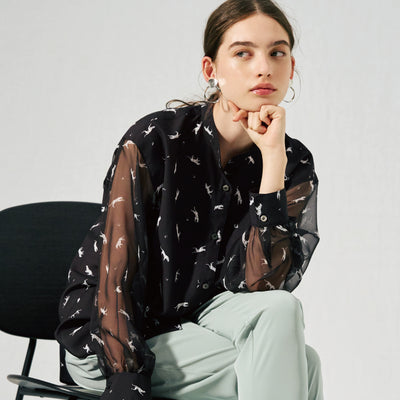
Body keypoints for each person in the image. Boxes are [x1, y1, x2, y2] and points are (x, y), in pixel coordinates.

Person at [55, 0, 324, 399]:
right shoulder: (156, 140)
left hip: (200, 323)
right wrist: (126, 377)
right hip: (111, 337)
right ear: (211, 69)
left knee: (283, 314)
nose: (264, 67)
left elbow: (263, 285)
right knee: (301, 364)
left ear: (292, 67)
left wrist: (272, 163)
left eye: (277, 53)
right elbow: (116, 274)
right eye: (243, 53)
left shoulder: (291, 161)